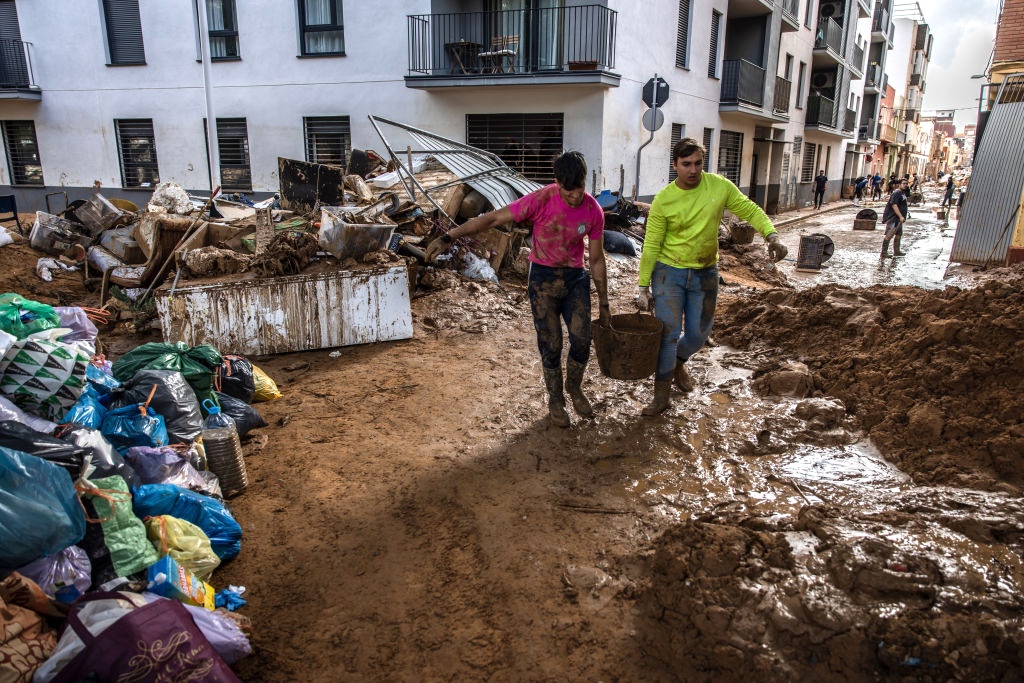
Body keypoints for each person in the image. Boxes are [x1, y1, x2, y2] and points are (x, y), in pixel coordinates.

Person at [425, 151, 609, 428]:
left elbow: (595, 259)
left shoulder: (593, 210)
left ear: (585, 181)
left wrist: (605, 304)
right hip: (543, 279)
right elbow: (492, 219)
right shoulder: (541, 199)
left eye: (579, 189)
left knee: (583, 339)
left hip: (574, 278)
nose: (574, 196)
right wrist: (449, 236)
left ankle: (575, 387)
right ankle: (556, 399)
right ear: (556, 182)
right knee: (552, 344)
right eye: (567, 190)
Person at [635, 138, 787, 416]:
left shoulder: (719, 187)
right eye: (686, 165)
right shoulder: (664, 200)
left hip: (705, 273)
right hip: (669, 273)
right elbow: (651, 245)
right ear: (675, 166)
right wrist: (643, 286)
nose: (692, 170)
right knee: (668, 335)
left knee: (698, 335)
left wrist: (771, 235)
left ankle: (679, 361)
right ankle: (661, 395)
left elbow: (750, 210)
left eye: (697, 164)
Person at [881, 177, 909, 259]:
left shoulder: (902, 193)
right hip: (894, 218)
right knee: (889, 234)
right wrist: (900, 216)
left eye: (906, 184)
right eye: (903, 184)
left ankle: (897, 251)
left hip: (899, 218)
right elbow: (894, 205)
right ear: (899, 184)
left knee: (899, 234)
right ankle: (883, 252)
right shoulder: (896, 193)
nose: (905, 185)